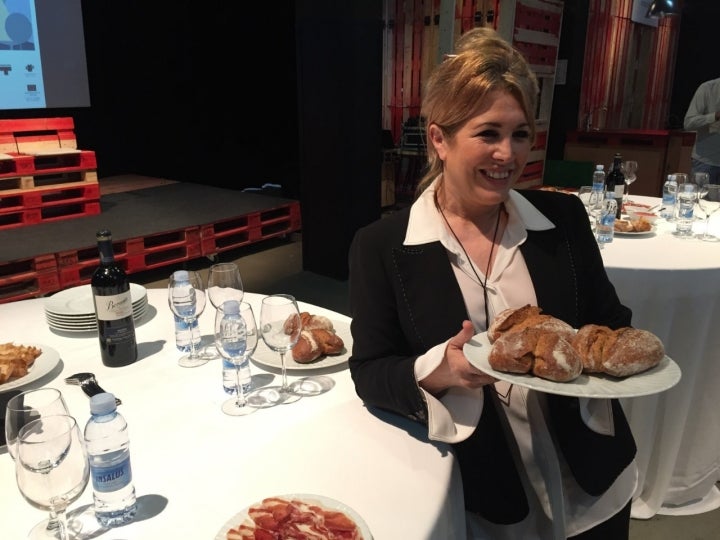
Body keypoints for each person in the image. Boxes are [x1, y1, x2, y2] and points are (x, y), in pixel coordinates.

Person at [348, 27, 637, 539]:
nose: (508, 154)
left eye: (520, 134)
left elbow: (612, 322)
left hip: (589, 472)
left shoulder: (563, 220)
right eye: (488, 134)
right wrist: (443, 369)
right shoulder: (382, 248)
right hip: (486, 490)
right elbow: (371, 371)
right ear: (439, 138)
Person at [684, 77, 720, 184]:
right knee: (699, 199)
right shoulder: (707, 88)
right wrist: (715, 116)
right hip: (706, 162)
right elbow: (688, 123)